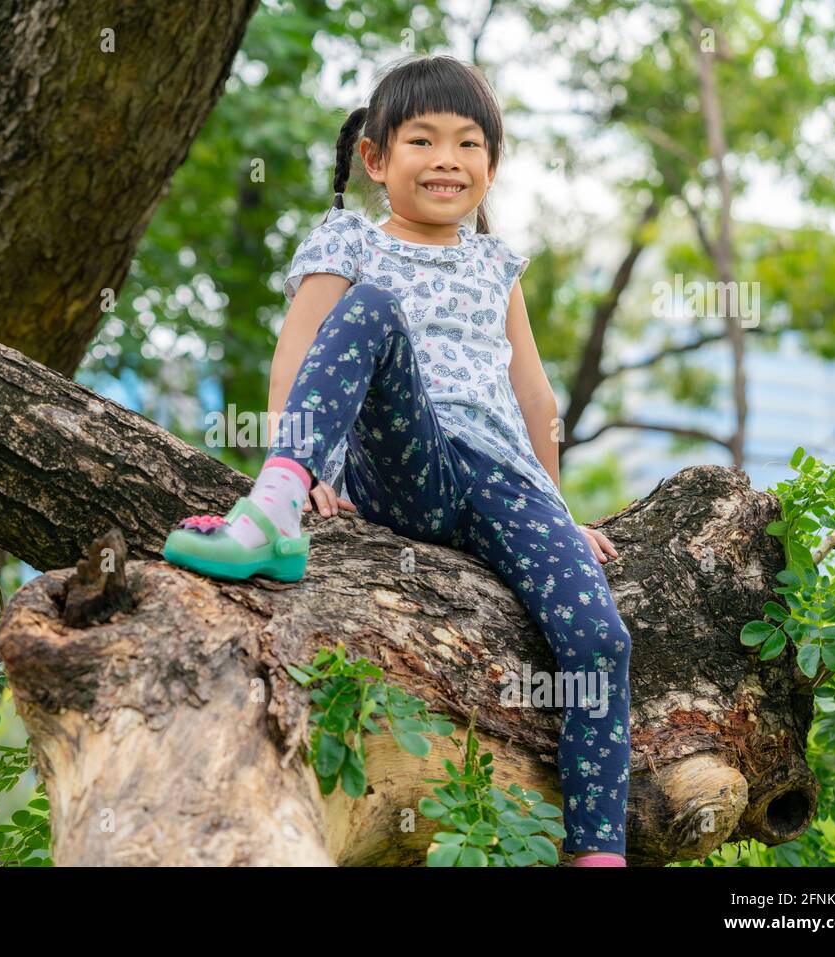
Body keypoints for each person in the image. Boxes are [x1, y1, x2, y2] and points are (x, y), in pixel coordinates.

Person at [162, 54, 631, 866]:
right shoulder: (352, 243)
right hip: (404, 460)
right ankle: (267, 514)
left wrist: (559, 512)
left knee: (601, 639)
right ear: (376, 159)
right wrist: (307, 473)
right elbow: (296, 360)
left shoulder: (498, 264)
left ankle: (597, 850)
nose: (447, 159)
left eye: (468, 143)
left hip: (504, 484)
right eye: (423, 140)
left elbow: (535, 399)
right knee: (374, 311)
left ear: (490, 164)